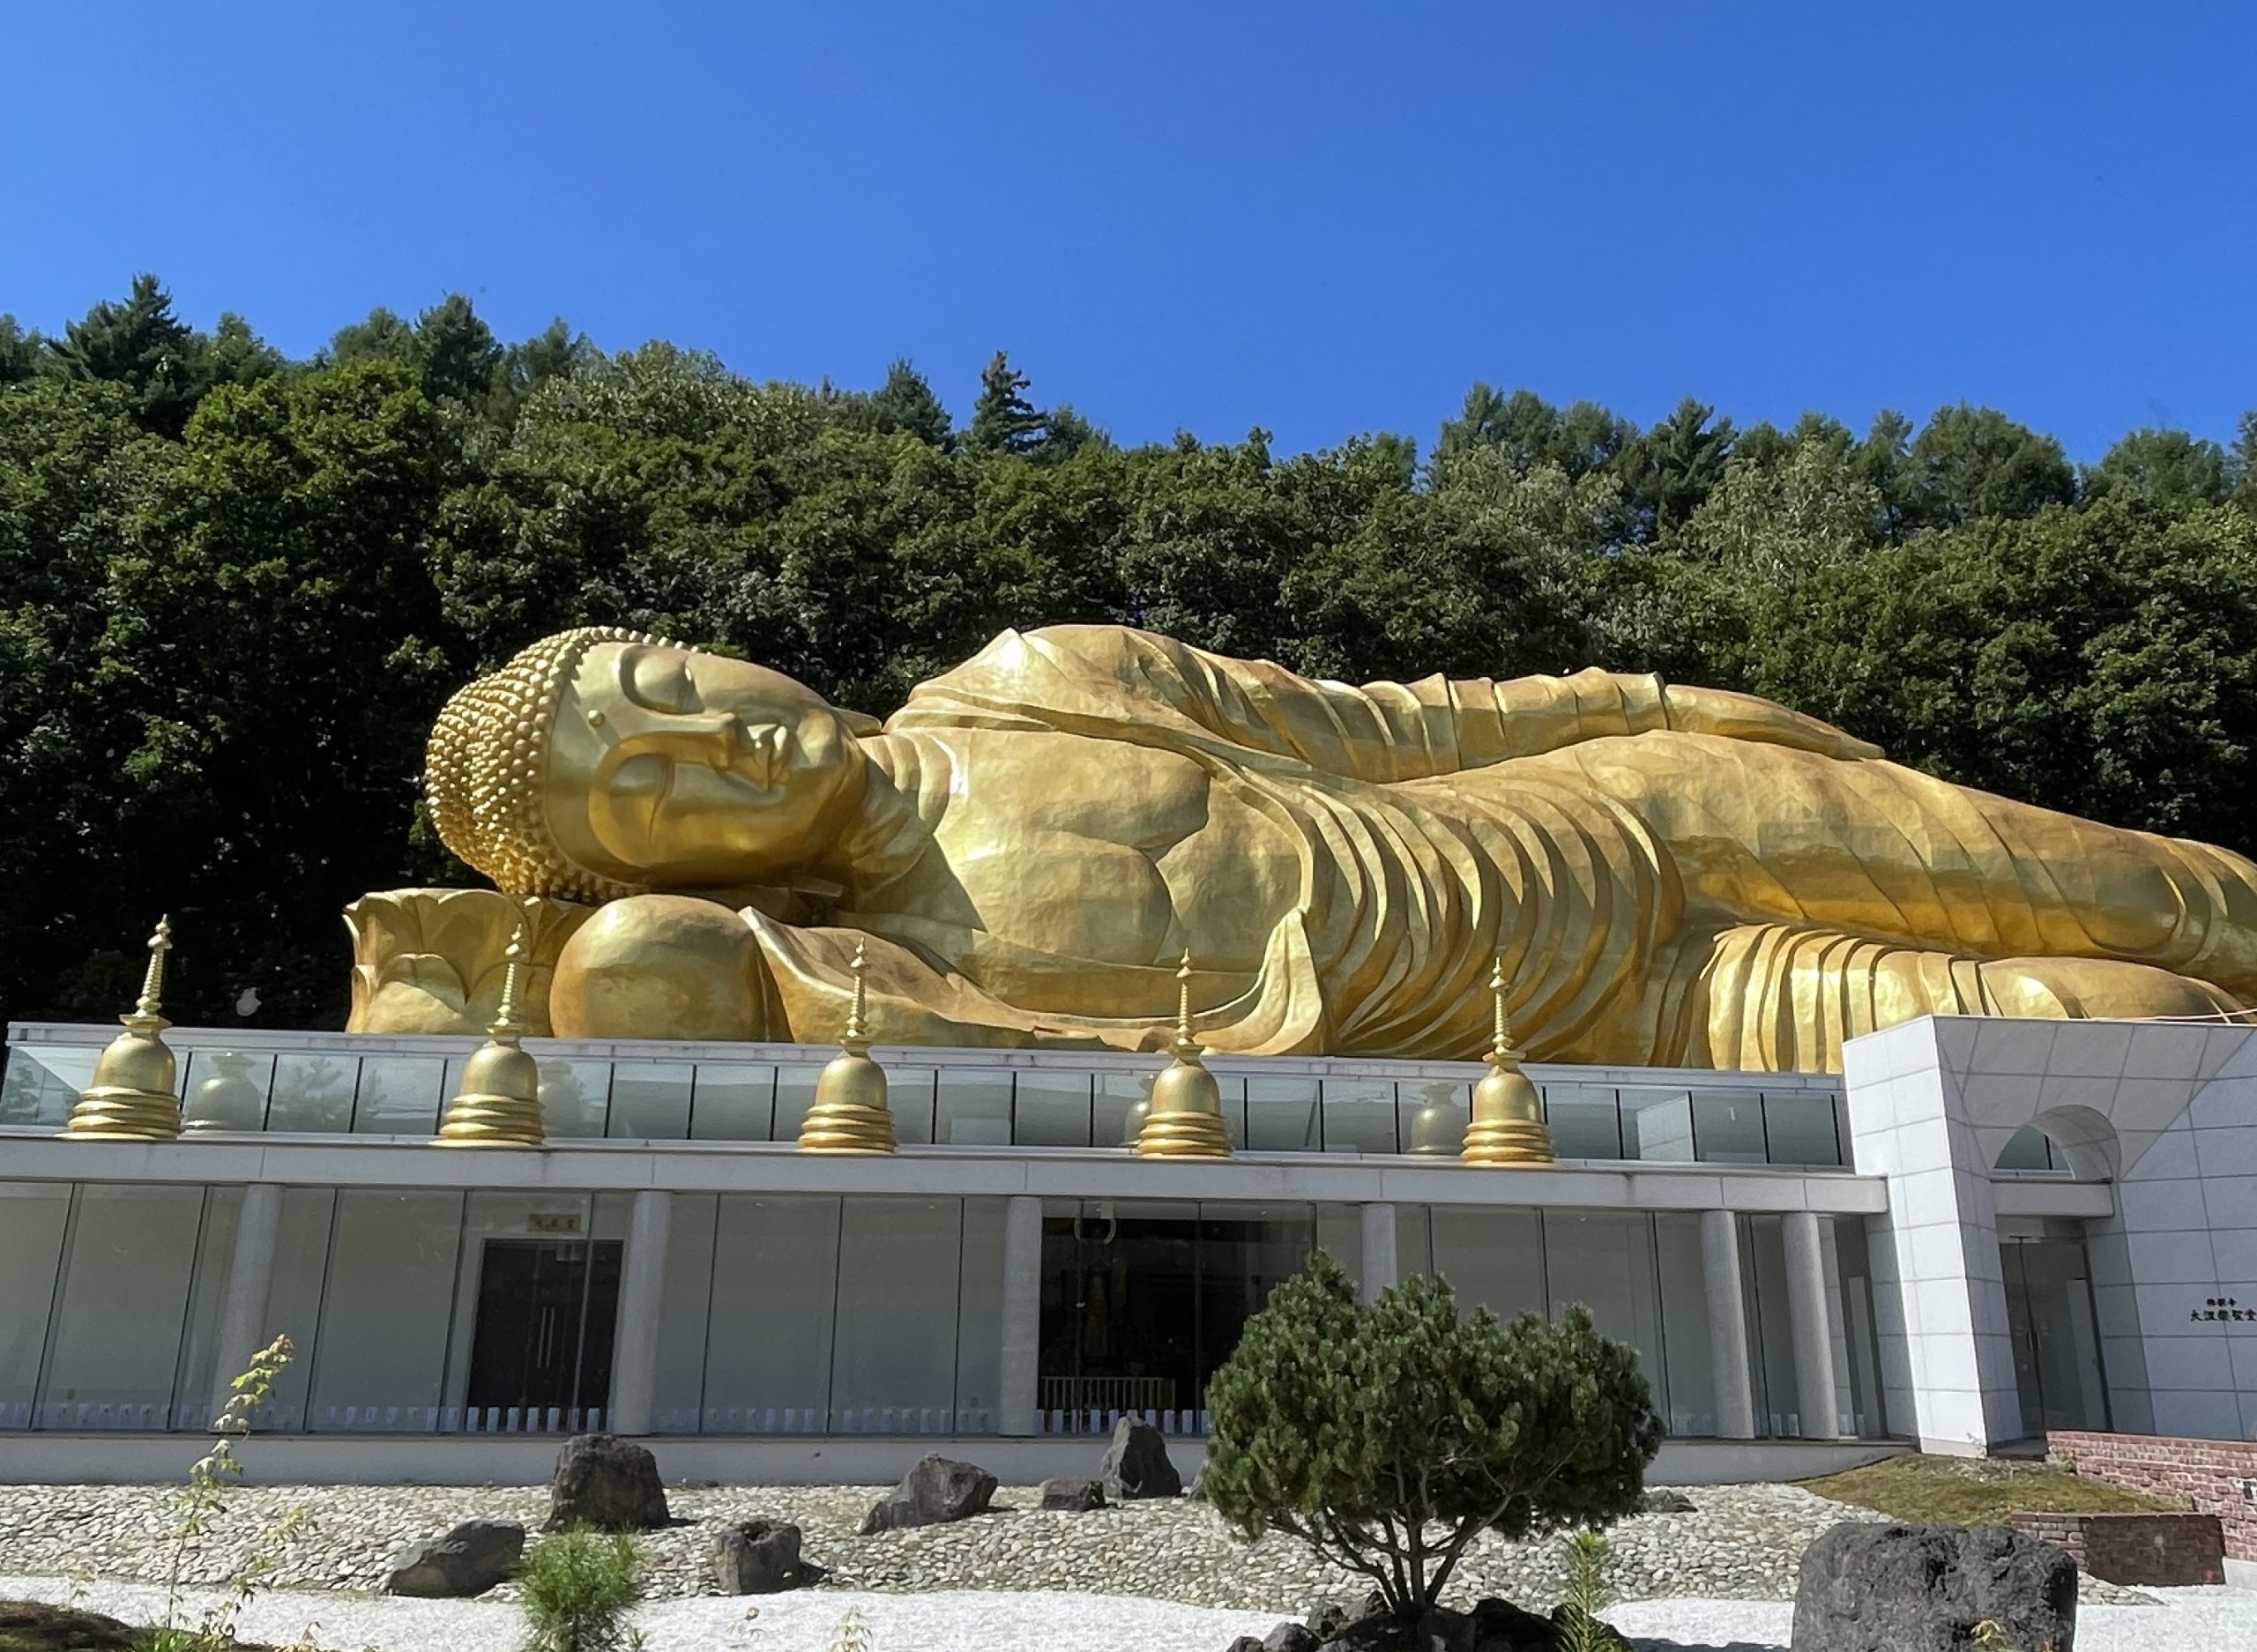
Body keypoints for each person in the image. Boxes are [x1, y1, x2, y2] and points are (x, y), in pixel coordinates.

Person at [410, 623, 2257, 1069]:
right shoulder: (851, 973)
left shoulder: (1030, 680)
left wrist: (1642, 701)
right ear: (676, 872)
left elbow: (1390, 724)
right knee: (2110, 1023)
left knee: (2153, 892)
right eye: (647, 792)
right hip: (1634, 1025)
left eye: (664, 680)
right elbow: (629, 991)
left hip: (1594, 814)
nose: (712, 739)